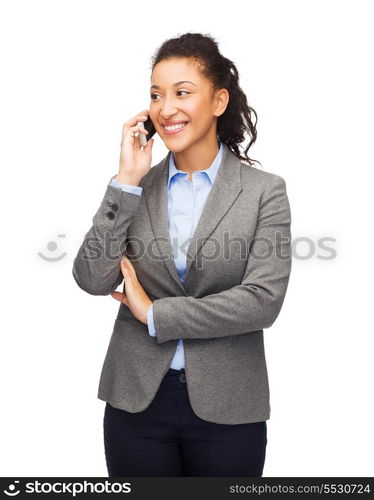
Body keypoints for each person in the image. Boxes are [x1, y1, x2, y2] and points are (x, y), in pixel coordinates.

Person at [72, 32, 292, 477]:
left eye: (182, 93)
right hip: (136, 403)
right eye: (156, 94)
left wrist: (156, 315)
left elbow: (262, 301)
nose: (165, 108)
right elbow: (93, 279)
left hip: (230, 406)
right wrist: (126, 181)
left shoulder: (264, 192)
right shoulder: (135, 189)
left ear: (218, 101)